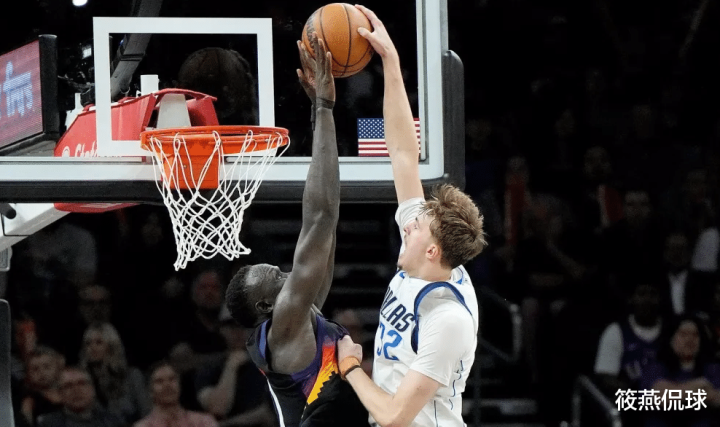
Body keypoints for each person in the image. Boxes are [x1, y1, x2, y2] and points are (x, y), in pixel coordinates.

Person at [336, 6, 486, 427]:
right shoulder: (430, 251)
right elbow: (403, 152)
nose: (410, 222)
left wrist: (351, 367)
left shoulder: (448, 319)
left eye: (419, 226)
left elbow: (393, 416)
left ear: (433, 250)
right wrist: (391, 62)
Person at [224, 37, 367, 426]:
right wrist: (324, 108)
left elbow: (328, 223)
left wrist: (319, 115)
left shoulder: (302, 314)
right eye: (276, 277)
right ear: (265, 307)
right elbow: (320, 216)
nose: (287, 272)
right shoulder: (283, 326)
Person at [79, 322, 151, 424]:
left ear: (111, 346)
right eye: (88, 343)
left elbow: (146, 412)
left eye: (99, 342)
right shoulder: (81, 381)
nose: (92, 348)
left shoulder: (132, 376)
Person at [134, 361, 218, 427]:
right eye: (159, 381)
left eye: (172, 379)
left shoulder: (204, 422)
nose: (167, 385)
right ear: (150, 391)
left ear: (179, 385)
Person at [37, 366, 124, 427]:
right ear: (60, 393)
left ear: (92, 389)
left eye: (82, 383)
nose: (76, 390)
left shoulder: (114, 421)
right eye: (68, 386)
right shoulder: (48, 424)